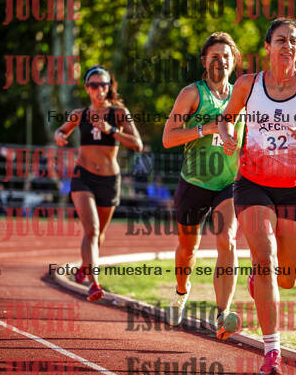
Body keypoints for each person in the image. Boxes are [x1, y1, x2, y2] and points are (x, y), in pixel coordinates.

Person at [219, 18, 296, 375]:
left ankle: (259, 283)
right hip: (252, 183)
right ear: (268, 47)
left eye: (293, 41)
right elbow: (227, 118)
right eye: (280, 40)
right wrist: (228, 135)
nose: (287, 46)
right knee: (264, 257)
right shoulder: (248, 84)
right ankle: (272, 351)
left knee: (287, 277)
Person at [162, 32, 245, 339]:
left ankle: (223, 314)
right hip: (194, 182)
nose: (220, 61)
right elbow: (168, 138)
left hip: (228, 183)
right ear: (204, 61)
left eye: (226, 56)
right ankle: (181, 291)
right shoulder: (192, 94)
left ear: (234, 60)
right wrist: (205, 129)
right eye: (214, 57)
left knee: (228, 240)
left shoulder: (242, 95)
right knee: (188, 248)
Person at [54, 65, 143, 301]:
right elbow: (60, 131)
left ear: (109, 87)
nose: (99, 89)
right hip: (83, 177)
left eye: (103, 85)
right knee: (92, 230)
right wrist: (59, 137)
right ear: (87, 88)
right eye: (94, 85)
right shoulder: (79, 114)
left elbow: (137, 144)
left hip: (109, 180)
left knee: (99, 233)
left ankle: (85, 266)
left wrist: (112, 130)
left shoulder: (120, 113)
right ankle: (94, 283)